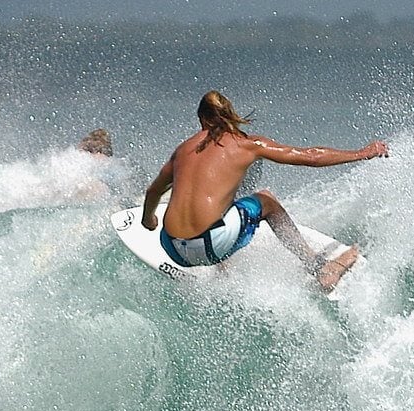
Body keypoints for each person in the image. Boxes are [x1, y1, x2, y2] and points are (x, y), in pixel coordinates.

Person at [140, 90, 388, 292]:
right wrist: (361, 153)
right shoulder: (247, 145)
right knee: (265, 200)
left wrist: (148, 219)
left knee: (219, 204)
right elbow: (310, 156)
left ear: (202, 120)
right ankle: (318, 267)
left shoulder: (181, 151)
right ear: (229, 116)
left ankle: (223, 270)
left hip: (172, 247)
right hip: (211, 245)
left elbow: (153, 193)